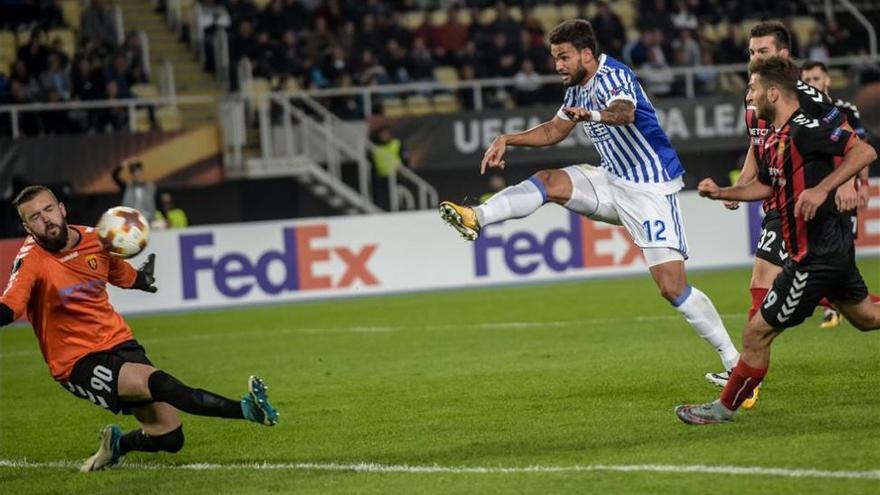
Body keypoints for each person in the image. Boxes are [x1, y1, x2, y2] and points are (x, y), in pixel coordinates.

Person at [439, 19, 746, 400]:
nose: (558, 66)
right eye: (555, 58)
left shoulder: (614, 75)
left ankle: (736, 367)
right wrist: (507, 139)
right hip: (611, 180)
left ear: (586, 53)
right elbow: (554, 130)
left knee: (672, 287)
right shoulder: (578, 88)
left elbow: (624, 112)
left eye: (564, 57)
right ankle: (477, 217)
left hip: (649, 188)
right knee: (549, 181)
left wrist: (595, 115)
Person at [0, 186, 278, 471]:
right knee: (160, 383)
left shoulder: (98, 239)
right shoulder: (30, 261)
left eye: (48, 210)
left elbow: (120, 274)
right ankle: (247, 409)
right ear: (26, 227)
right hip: (77, 360)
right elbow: (10, 308)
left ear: (62, 209)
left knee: (170, 437)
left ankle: (118, 445)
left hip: (119, 341)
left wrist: (142, 279)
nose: (45, 219)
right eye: (34, 217)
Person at [676, 56, 879, 425]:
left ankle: (722, 409)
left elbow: (864, 151)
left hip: (814, 255)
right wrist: (725, 193)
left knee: (755, 333)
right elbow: (767, 185)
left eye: (753, 89)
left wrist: (822, 189)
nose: (749, 97)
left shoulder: (805, 128)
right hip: (827, 249)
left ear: (773, 92)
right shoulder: (773, 138)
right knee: (866, 317)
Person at [800, 60, 877, 328]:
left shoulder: (844, 110)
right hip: (816, 197)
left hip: (843, 193)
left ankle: (844, 305)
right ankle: (841, 304)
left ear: (827, 81)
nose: (812, 84)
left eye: (816, 79)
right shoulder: (801, 114)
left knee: (844, 253)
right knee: (820, 255)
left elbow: (860, 149)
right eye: (807, 79)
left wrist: (862, 185)